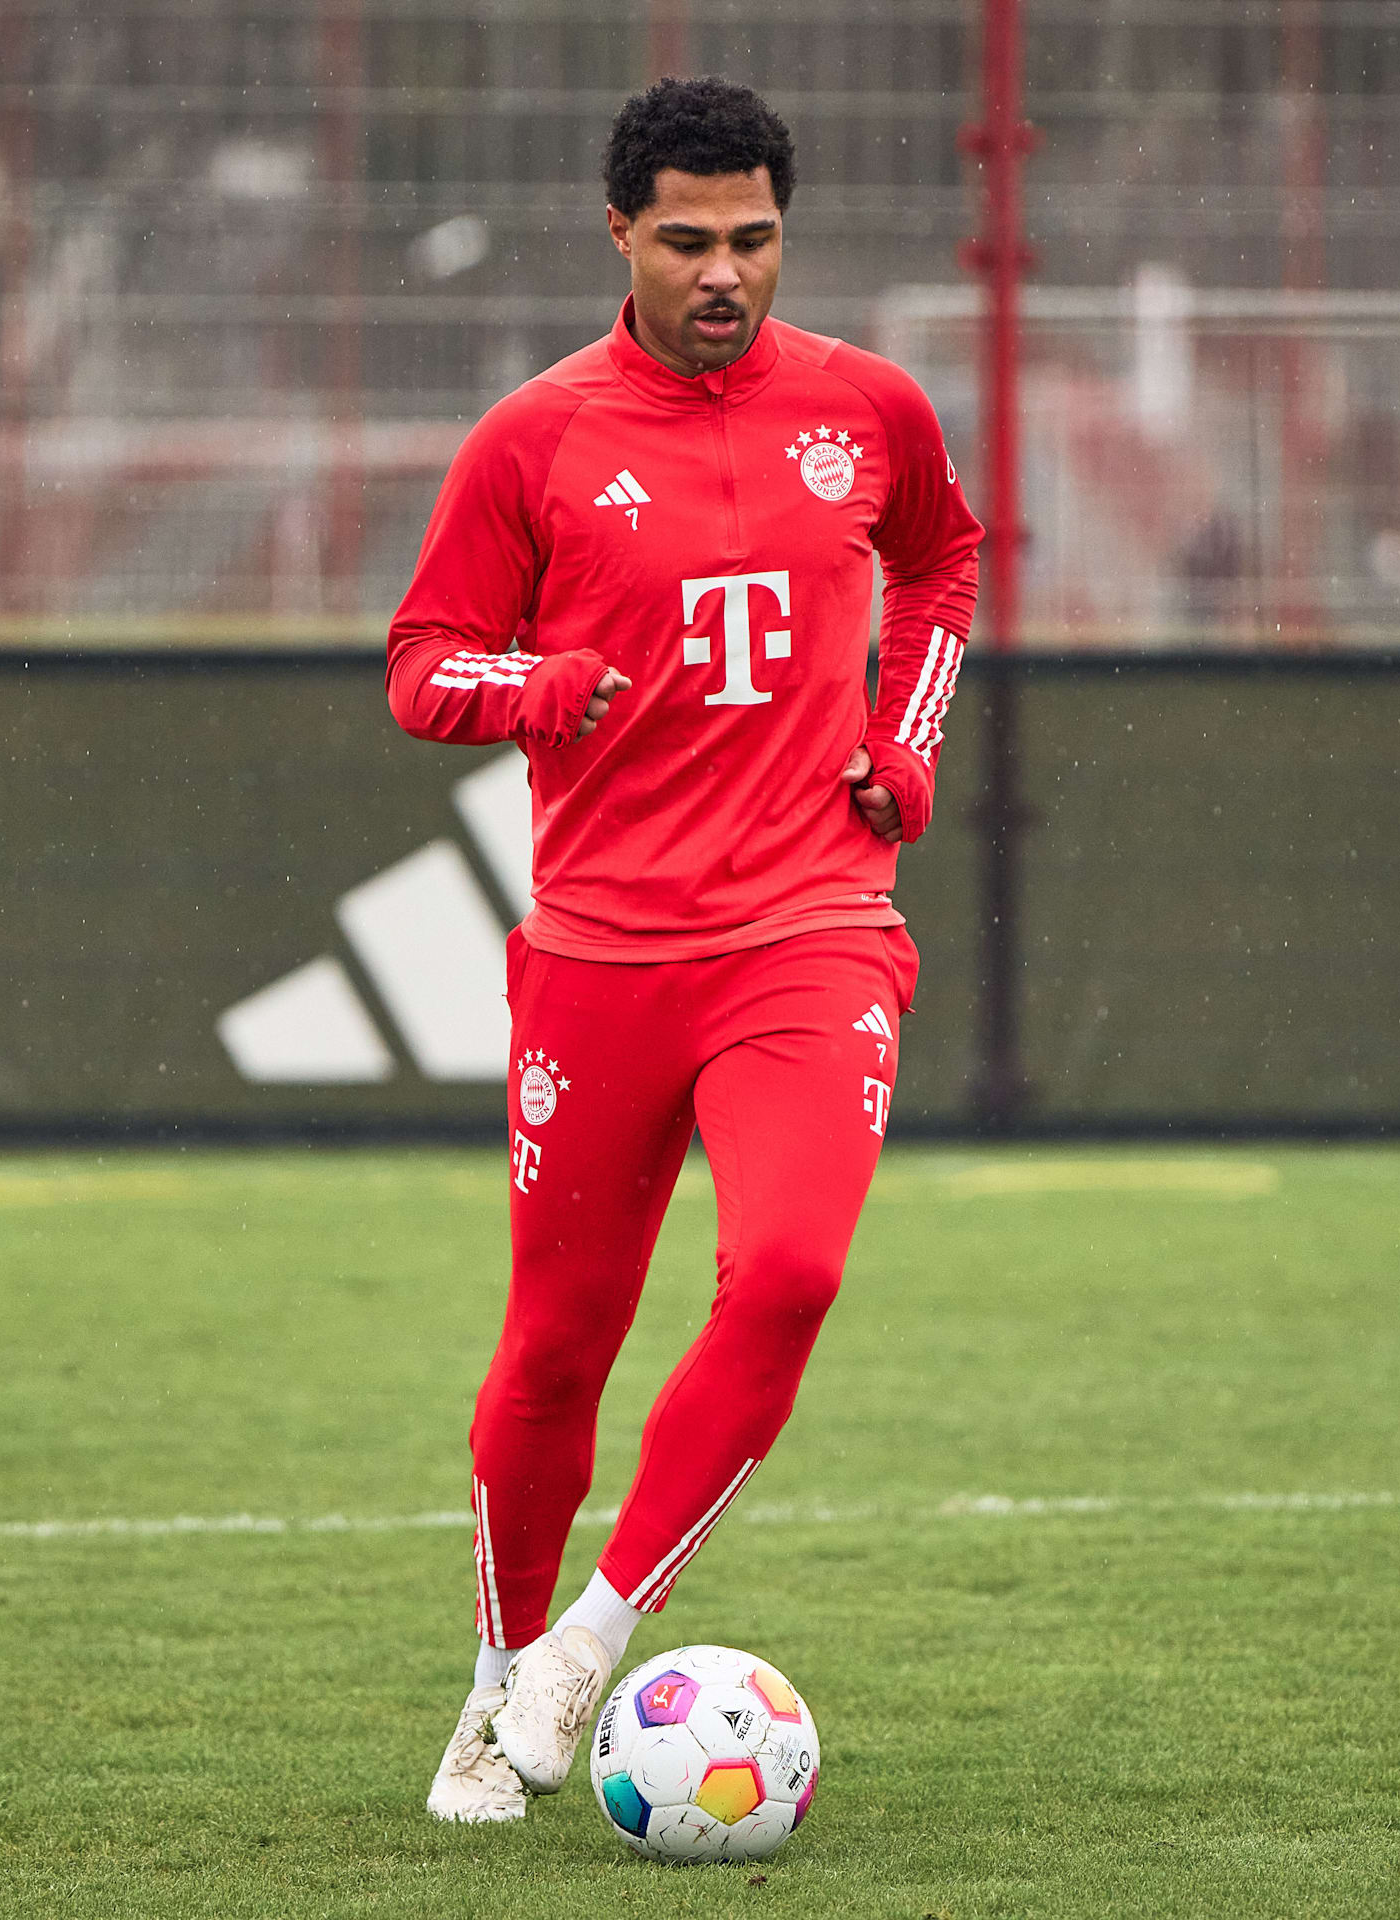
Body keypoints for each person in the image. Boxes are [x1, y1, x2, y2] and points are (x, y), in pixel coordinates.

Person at [386, 75, 981, 1823]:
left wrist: (909, 736)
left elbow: (943, 570)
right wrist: (537, 684)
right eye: (692, 242)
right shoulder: (535, 440)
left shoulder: (868, 407)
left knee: (789, 1272)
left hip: (811, 926)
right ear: (622, 236)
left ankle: (593, 1643)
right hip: (601, 955)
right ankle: (497, 1678)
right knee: (557, 1349)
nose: (728, 273)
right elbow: (425, 664)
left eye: (756, 239)